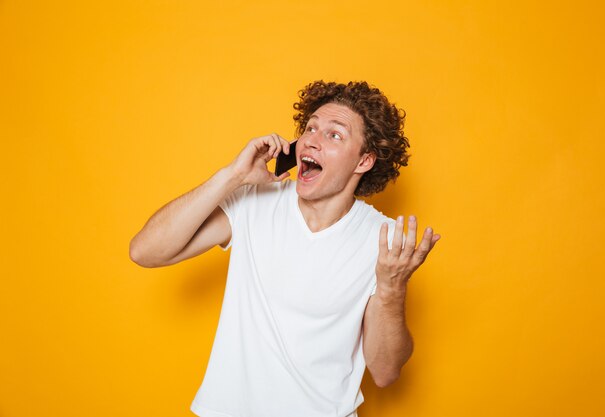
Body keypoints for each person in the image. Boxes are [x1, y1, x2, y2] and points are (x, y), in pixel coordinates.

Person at [129, 80, 441, 417]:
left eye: (334, 135)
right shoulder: (253, 202)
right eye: (310, 128)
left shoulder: (384, 241)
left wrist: (392, 288)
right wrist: (232, 176)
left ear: (364, 161)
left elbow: (385, 371)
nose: (312, 140)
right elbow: (145, 251)